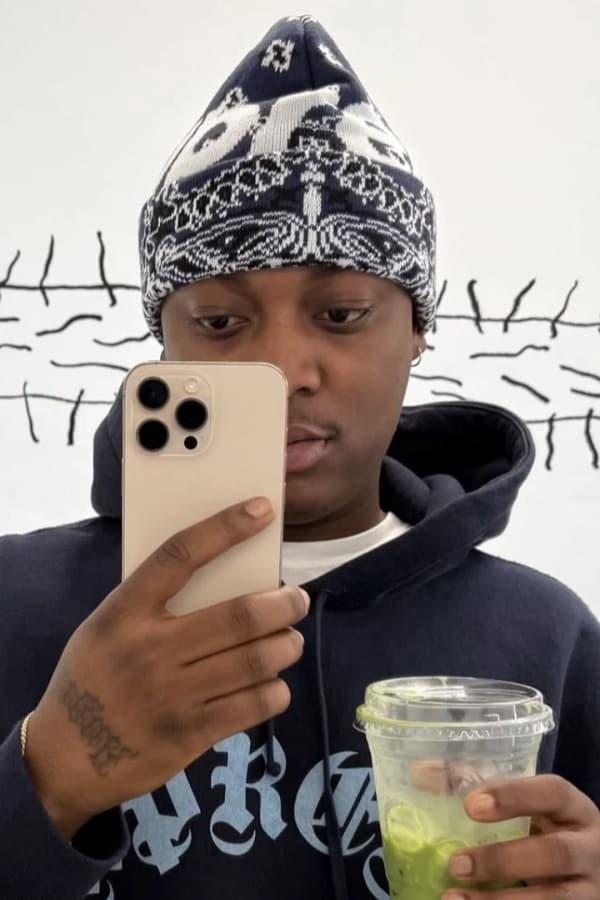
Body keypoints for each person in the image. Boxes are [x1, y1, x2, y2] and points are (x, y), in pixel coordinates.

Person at [1, 15, 599, 900]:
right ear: (162, 344)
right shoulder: (16, 604)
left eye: (342, 314)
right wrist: (47, 777)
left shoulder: (546, 636)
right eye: (219, 321)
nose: (283, 369)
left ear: (419, 332)